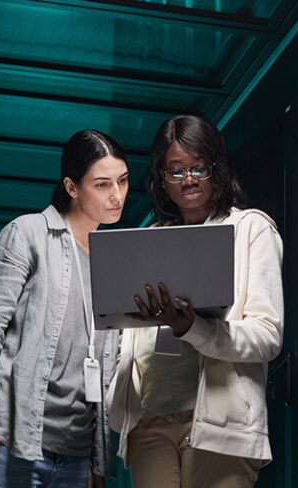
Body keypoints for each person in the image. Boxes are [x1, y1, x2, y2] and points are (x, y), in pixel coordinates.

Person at [106, 115, 284, 487]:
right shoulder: (149, 238)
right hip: (150, 422)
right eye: (175, 171)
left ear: (217, 169)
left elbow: (267, 336)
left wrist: (193, 328)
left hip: (221, 427)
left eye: (198, 167)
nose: (188, 179)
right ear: (161, 180)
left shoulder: (251, 229)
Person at [0, 129, 128, 488]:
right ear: (72, 186)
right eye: (102, 184)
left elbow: (107, 364)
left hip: (77, 455)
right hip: (9, 443)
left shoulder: (115, 260)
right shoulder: (29, 233)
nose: (116, 195)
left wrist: (96, 462)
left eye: (123, 181)